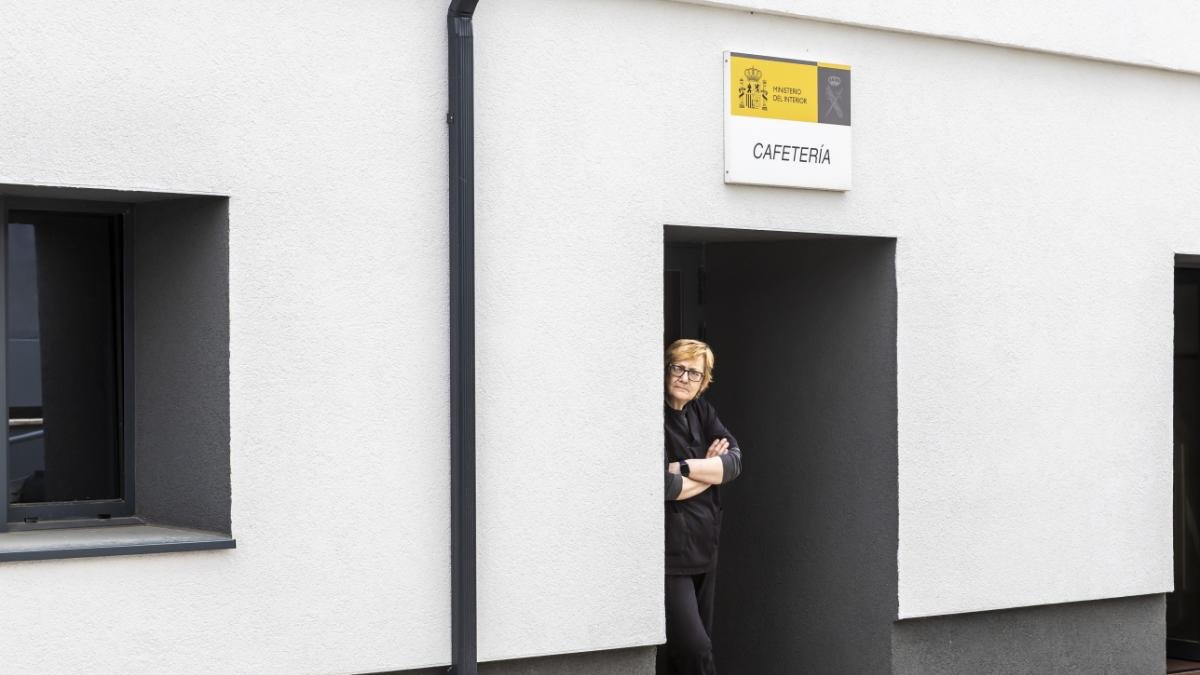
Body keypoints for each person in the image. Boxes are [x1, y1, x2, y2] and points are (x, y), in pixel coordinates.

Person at [659, 339, 743, 675]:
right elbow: (664, 487)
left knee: (688, 650)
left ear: (703, 381)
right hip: (670, 556)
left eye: (694, 373)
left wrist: (685, 467)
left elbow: (734, 463)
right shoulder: (652, 415)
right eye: (677, 368)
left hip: (705, 548)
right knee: (696, 648)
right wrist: (710, 471)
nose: (684, 377)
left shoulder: (702, 411)